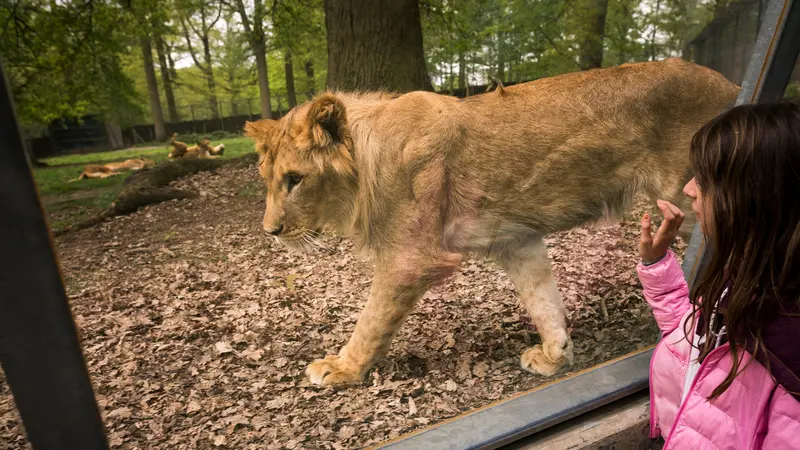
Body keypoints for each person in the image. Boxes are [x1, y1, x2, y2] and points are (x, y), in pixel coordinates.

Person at [637, 101, 800, 449]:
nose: (689, 188)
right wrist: (656, 264)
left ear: (759, 199)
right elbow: (694, 339)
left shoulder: (787, 366)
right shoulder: (751, 277)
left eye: (707, 178)